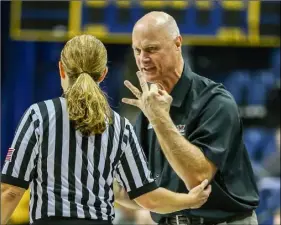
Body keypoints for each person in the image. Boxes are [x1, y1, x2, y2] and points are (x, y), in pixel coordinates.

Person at [1, 34, 212, 225]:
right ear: (103, 74)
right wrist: (190, 200)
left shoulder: (39, 115)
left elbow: (10, 191)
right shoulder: (120, 126)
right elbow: (147, 197)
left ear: (61, 70)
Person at [120, 11, 260, 225]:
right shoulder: (149, 112)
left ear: (177, 43)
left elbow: (197, 178)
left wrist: (159, 120)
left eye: (151, 49)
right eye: (137, 50)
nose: (142, 59)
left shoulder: (215, 102)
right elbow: (137, 191)